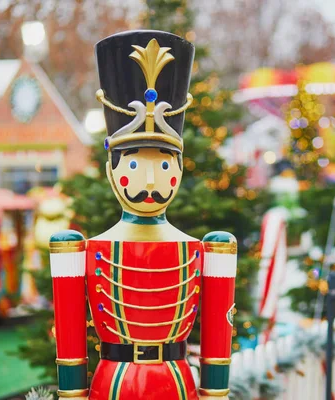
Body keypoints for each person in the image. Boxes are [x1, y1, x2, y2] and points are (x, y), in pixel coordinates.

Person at [48, 31, 237, 400]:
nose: (149, 181)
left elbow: (218, 332)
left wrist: (216, 392)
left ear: (179, 171)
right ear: (110, 170)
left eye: (163, 164)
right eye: (134, 164)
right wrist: (71, 394)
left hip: (178, 385)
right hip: (112, 385)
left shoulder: (210, 249)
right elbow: (69, 337)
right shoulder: (78, 249)